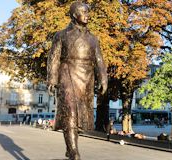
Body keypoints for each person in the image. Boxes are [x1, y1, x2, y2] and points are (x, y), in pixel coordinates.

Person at [47, 2, 108, 160]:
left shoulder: (93, 39)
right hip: (67, 73)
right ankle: (74, 151)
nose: (88, 15)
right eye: (84, 12)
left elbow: (99, 60)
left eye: (88, 12)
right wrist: (52, 79)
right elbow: (53, 58)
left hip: (86, 78)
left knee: (79, 117)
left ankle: (70, 147)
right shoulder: (61, 35)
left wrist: (103, 78)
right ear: (74, 14)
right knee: (70, 112)